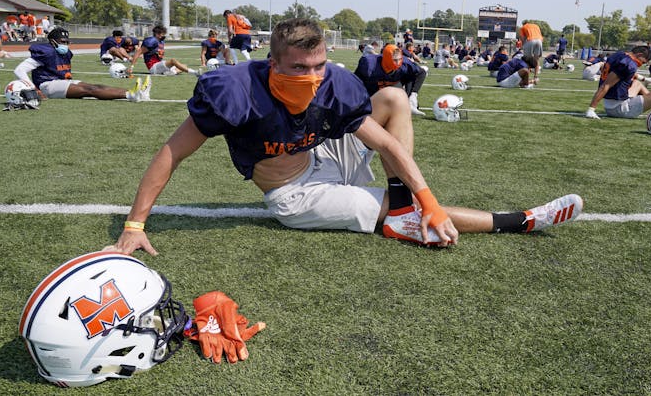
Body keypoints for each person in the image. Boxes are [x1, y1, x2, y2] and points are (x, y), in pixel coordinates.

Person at [106, 18, 582, 256]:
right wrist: (134, 225)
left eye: (316, 66)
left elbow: (387, 142)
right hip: (296, 191)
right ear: (273, 63)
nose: (310, 76)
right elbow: (172, 153)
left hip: (322, 152)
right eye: (297, 67)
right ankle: (522, 221)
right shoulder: (234, 92)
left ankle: (401, 210)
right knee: (405, 213)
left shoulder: (334, 83)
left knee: (394, 98)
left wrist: (425, 197)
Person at [13, 27, 151, 102]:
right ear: (53, 41)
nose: (66, 44)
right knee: (90, 90)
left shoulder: (65, 53)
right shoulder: (46, 52)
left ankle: (136, 92)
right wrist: (33, 88)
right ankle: (130, 95)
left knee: (96, 86)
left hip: (61, 82)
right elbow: (19, 70)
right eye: (63, 41)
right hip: (47, 85)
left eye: (67, 42)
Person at [354, 43, 426, 116]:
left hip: (392, 85)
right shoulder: (370, 65)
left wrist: (413, 95)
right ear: (386, 58)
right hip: (372, 90)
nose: (398, 63)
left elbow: (421, 73)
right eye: (395, 60)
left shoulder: (405, 63)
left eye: (399, 59)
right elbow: (355, 82)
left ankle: (409, 103)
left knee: (398, 106)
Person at [130, 25, 201, 77]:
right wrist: (131, 67)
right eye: (162, 33)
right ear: (157, 34)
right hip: (153, 67)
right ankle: (195, 73)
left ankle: (171, 72)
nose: (164, 35)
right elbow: (138, 53)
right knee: (173, 61)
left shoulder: (161, 41)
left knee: (183, 66)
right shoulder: (151, 41)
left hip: (159, 64)